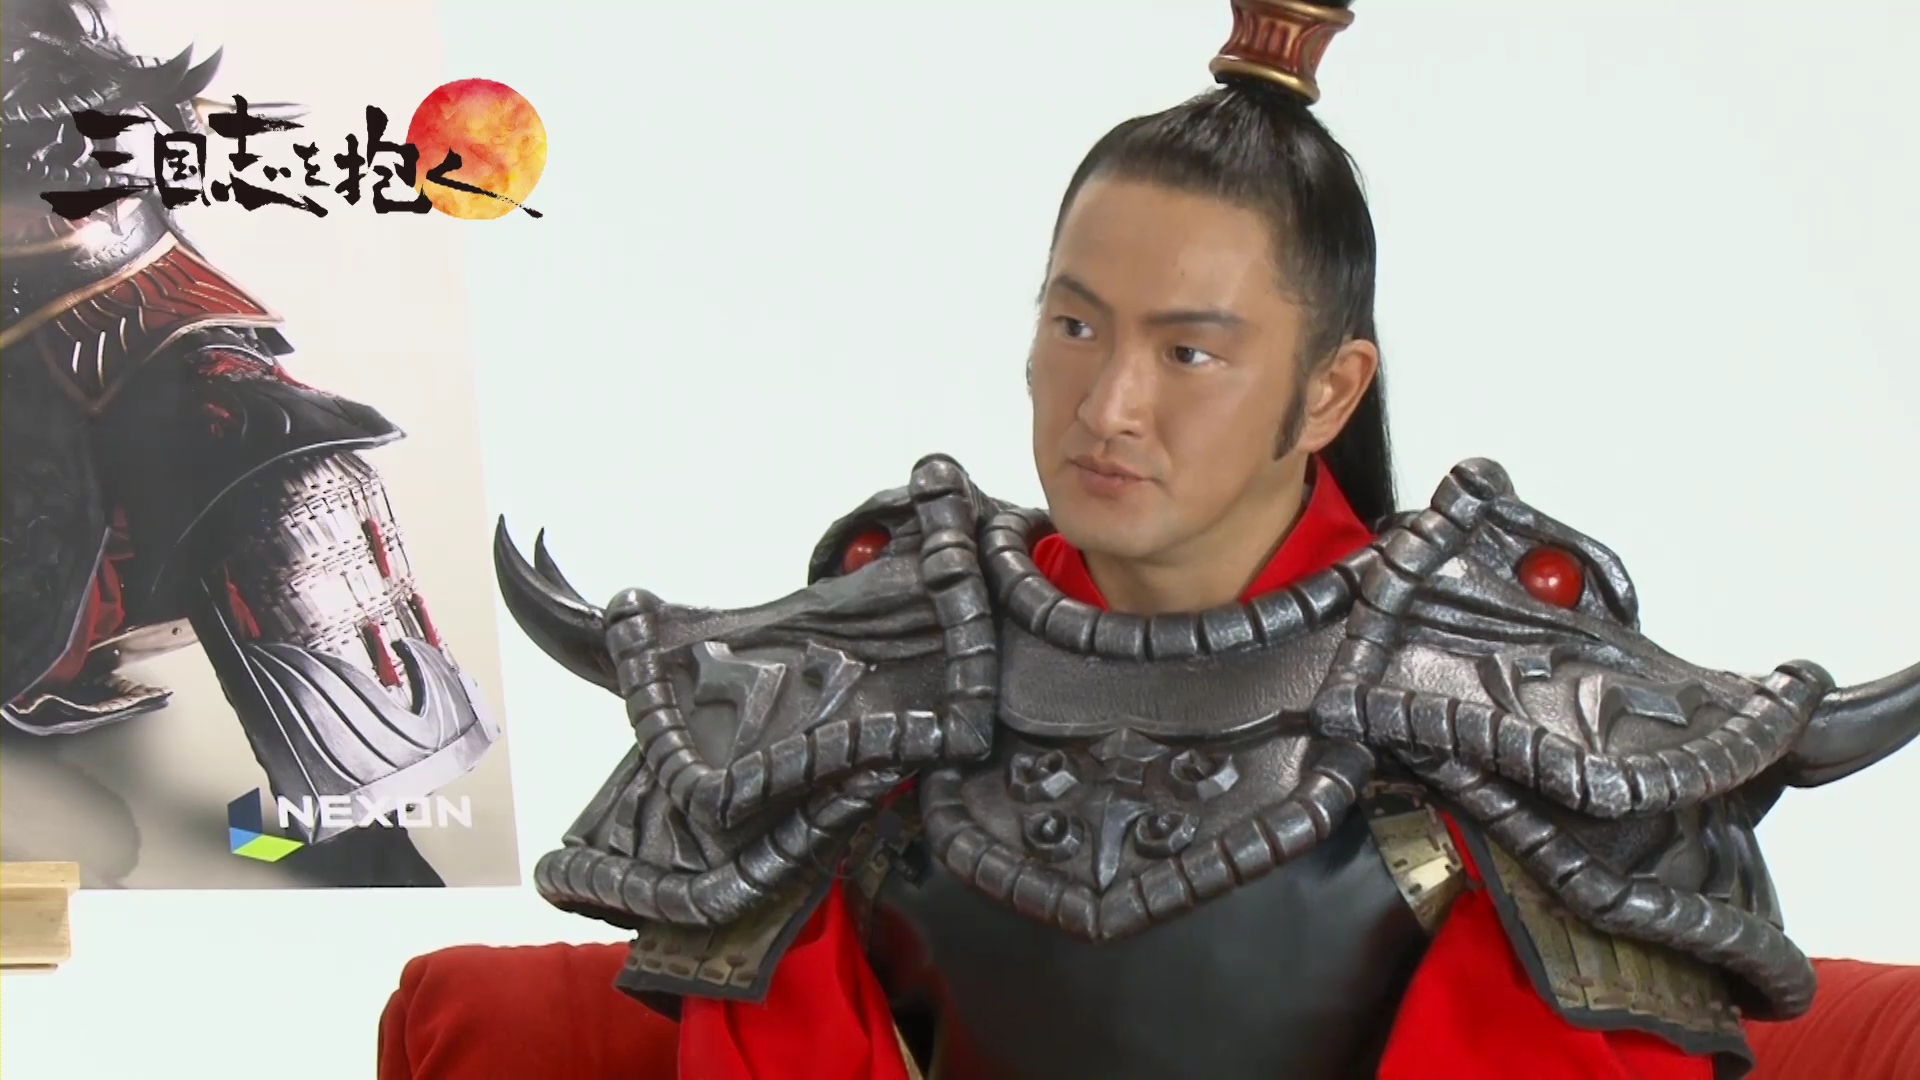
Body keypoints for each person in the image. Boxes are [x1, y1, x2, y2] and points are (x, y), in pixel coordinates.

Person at [497, 0, 1920, 1076]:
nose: (1108, 404)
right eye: (1074, 326)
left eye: (1189, 352)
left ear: (1329, 391)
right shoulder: (869, 690)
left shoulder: (1514, 729)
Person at [0, 0, 498, 886]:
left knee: (267, 460)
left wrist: (327, 834)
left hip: (96, 273)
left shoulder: (218, 406)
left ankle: (345, 829)